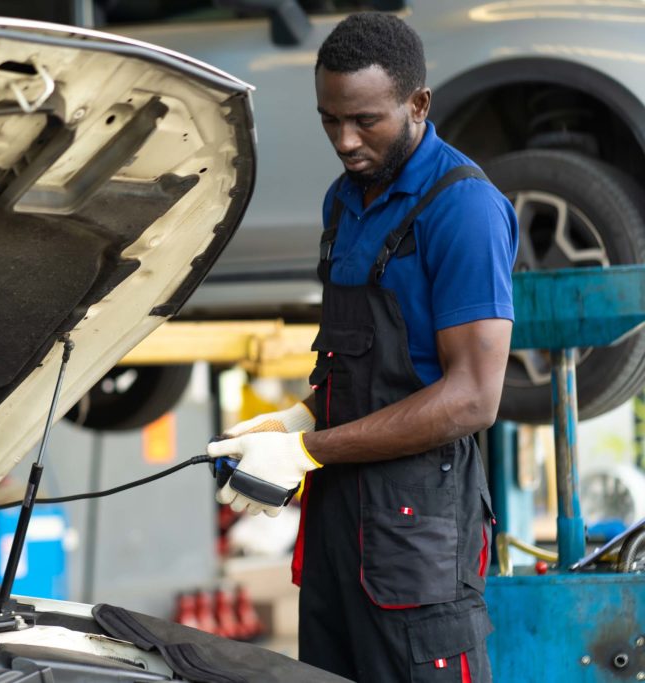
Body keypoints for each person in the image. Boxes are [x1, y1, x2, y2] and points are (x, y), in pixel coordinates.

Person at [207, 12, 519, 683]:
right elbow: (366, 363)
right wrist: (298, 416)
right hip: (336, 526)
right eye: (329, 119)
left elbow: (471, 398)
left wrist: (304, 450)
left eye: (366, 121)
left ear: (418, 104)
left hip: (418, 532)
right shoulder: (344, 202)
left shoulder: (462, 210)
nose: (345, 140)